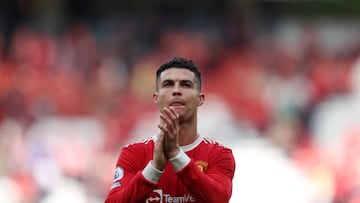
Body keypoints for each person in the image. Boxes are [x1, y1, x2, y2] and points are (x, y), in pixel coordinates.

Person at [104, 56, 236, 203]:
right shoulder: (134, 154)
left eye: (186, 85)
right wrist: (154, 169)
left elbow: (219, 199)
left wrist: (176, 155)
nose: (176, 91)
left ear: (200, 99)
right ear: (156, 98)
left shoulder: (218, 155)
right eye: (168, 84)